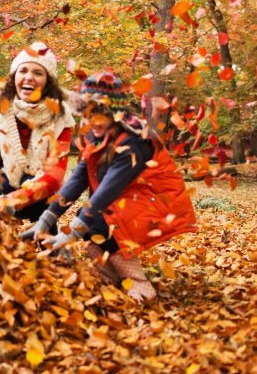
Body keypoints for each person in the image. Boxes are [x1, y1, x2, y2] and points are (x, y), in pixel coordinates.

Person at [20, 71, 197, 302]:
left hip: (157, 203)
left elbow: (106, 193)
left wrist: (71, 232)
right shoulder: (97, 137)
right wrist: (45, 220)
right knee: (95, 244)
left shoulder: (134, 141)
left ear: (116, 114)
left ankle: (142, 290)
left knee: (103, 224)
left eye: (99, 113)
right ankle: (117, 285)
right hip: (129, 202)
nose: (92, 120)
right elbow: (76, 181)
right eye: (86, 113)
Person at [0, 42, 76, 222]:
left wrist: (13, 201)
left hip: (41, 195)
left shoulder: (62, 117)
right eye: (23, 70)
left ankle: (44, 237)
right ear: (14, 76)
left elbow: (55, 174)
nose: (28, 77)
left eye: (38, 73)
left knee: (50, 200)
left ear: (48, 81)